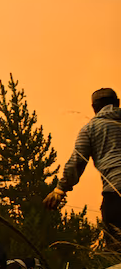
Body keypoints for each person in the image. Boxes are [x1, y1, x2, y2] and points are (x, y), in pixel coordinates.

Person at [43, 88, 121, 246]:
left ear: (94, 107)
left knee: (117, 247)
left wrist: (60, 189)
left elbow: (77, 161)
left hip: (116, 193)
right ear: (118, 103)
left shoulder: (90, 128)